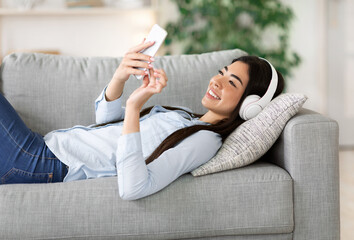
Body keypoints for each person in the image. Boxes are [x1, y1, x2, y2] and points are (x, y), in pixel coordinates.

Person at [0, 40, 284, 200]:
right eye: (222, 72)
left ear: (250, 106)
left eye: (231, 82)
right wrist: (121, 77)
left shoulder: (204, 141)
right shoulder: (185, 117)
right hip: (42, 148)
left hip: (40, 162)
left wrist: (135, 107)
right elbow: (106, 124)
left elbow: (134, 187)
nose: (217, 81)